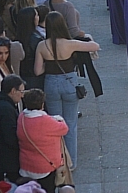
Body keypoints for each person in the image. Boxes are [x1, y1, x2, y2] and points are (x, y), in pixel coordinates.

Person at [34, 12, 98, 168]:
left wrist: (49, 65)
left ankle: (58, 160)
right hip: (69, 83)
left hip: (50, 84)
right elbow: (95, 46)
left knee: (55, 123)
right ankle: (71, 163)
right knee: (70, 124)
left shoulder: (41, 45)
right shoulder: (70, 44)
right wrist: (87, 37)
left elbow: (37, 71)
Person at [17, 88, 68, 192]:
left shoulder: (21, 117)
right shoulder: (45, 121)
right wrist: (59, 119)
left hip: (26, 165)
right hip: (45, 167)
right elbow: (64, 129)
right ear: (42, 104)